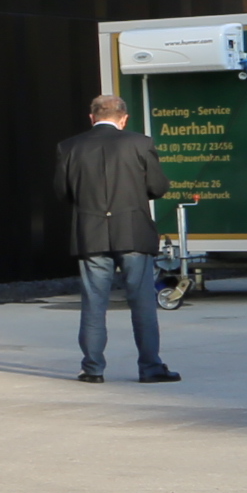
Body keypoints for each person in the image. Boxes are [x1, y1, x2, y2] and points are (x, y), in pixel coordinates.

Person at [58, 94, 181, 385]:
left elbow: (63, 192)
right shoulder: (141, 143)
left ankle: (92, 368)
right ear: (123, 118)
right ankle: (150, 368)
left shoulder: (69, 147)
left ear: (92, 117)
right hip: (133, 232)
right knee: (142, 303)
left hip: (91, 233)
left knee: (94, 303)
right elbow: (158, 187)